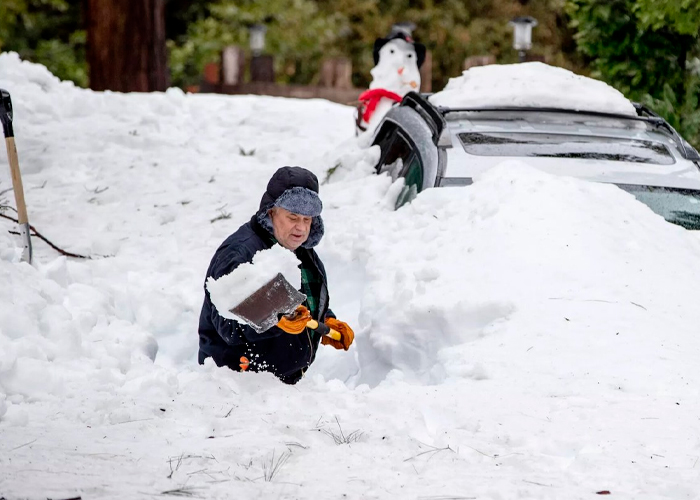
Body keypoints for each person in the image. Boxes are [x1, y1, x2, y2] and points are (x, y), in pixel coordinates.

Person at [198, 166, 354, 384]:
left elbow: (299, 302)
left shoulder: (300, 251)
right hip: (237, 385)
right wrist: (274, 321)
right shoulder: (240, 254)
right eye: (293, 217)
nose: (301, 228)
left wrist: (325, 322)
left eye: (307, 220)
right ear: (271, 212)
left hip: (280, 386)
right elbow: (227, 325)